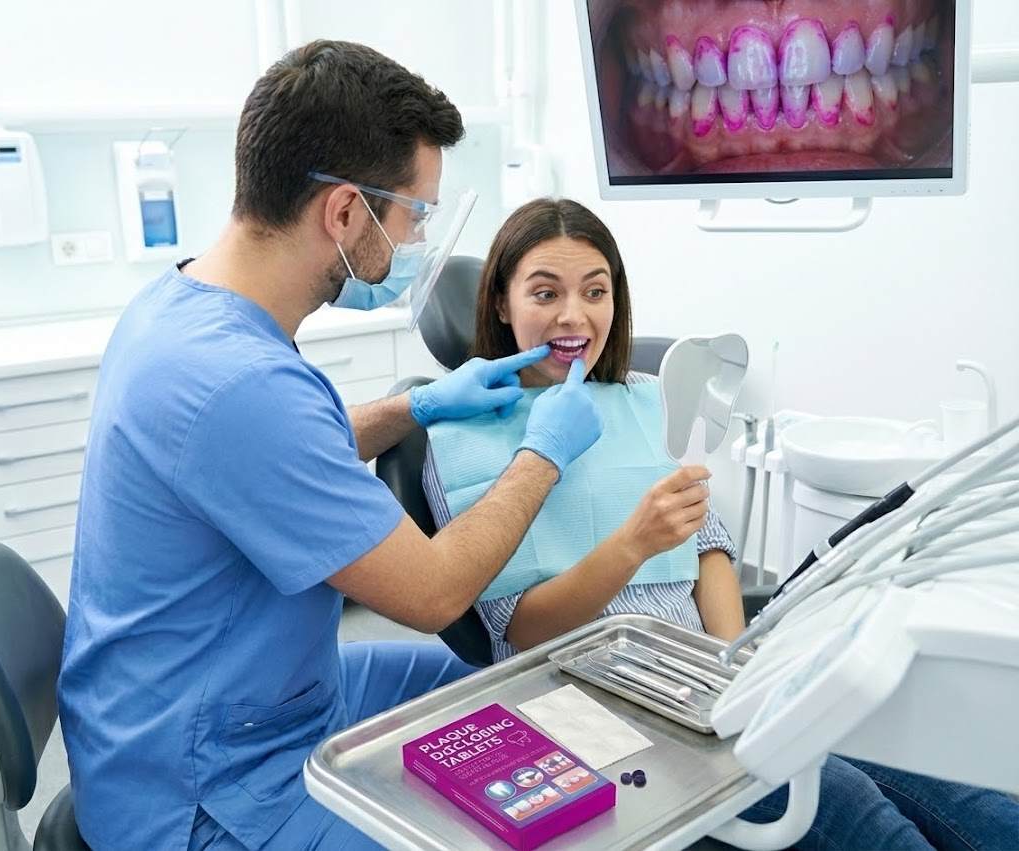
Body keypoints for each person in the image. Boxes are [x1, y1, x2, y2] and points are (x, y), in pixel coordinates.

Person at [57, 43, 604, 851]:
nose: (418, 238)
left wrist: (416, 406)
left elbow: (273, 462)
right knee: (514, 822)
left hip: (249, 690)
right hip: (203, 781)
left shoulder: (181, 307)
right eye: (415, 213)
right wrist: (544, 454)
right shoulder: (240, 380)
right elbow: (433, 593)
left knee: (505, 695)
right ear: (345, 213)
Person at [421, 197, 1019, 850]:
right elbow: (520, 630)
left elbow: (707, 543)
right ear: (502, 303)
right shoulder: (461, 443)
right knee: (857, 811)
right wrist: (631, 545)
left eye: (596, 290)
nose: (574, 314)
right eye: (546, 292)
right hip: (593, 702)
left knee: (941, 772)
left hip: (709, 674)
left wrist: (732, 672)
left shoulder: (640, 398)